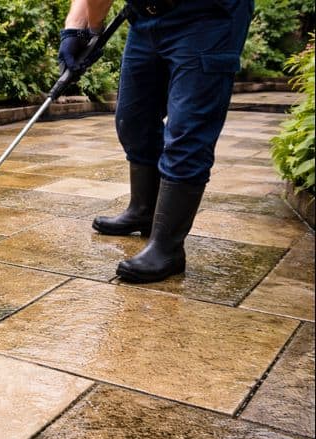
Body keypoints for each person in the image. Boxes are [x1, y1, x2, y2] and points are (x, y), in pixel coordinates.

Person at [58, 0, 253, 282]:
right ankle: (143, 210)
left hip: (209, 17)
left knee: (187, 131)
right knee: (134, 119)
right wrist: (76, 30)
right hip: (146, 16)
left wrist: (94, 28)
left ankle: (168, 248)